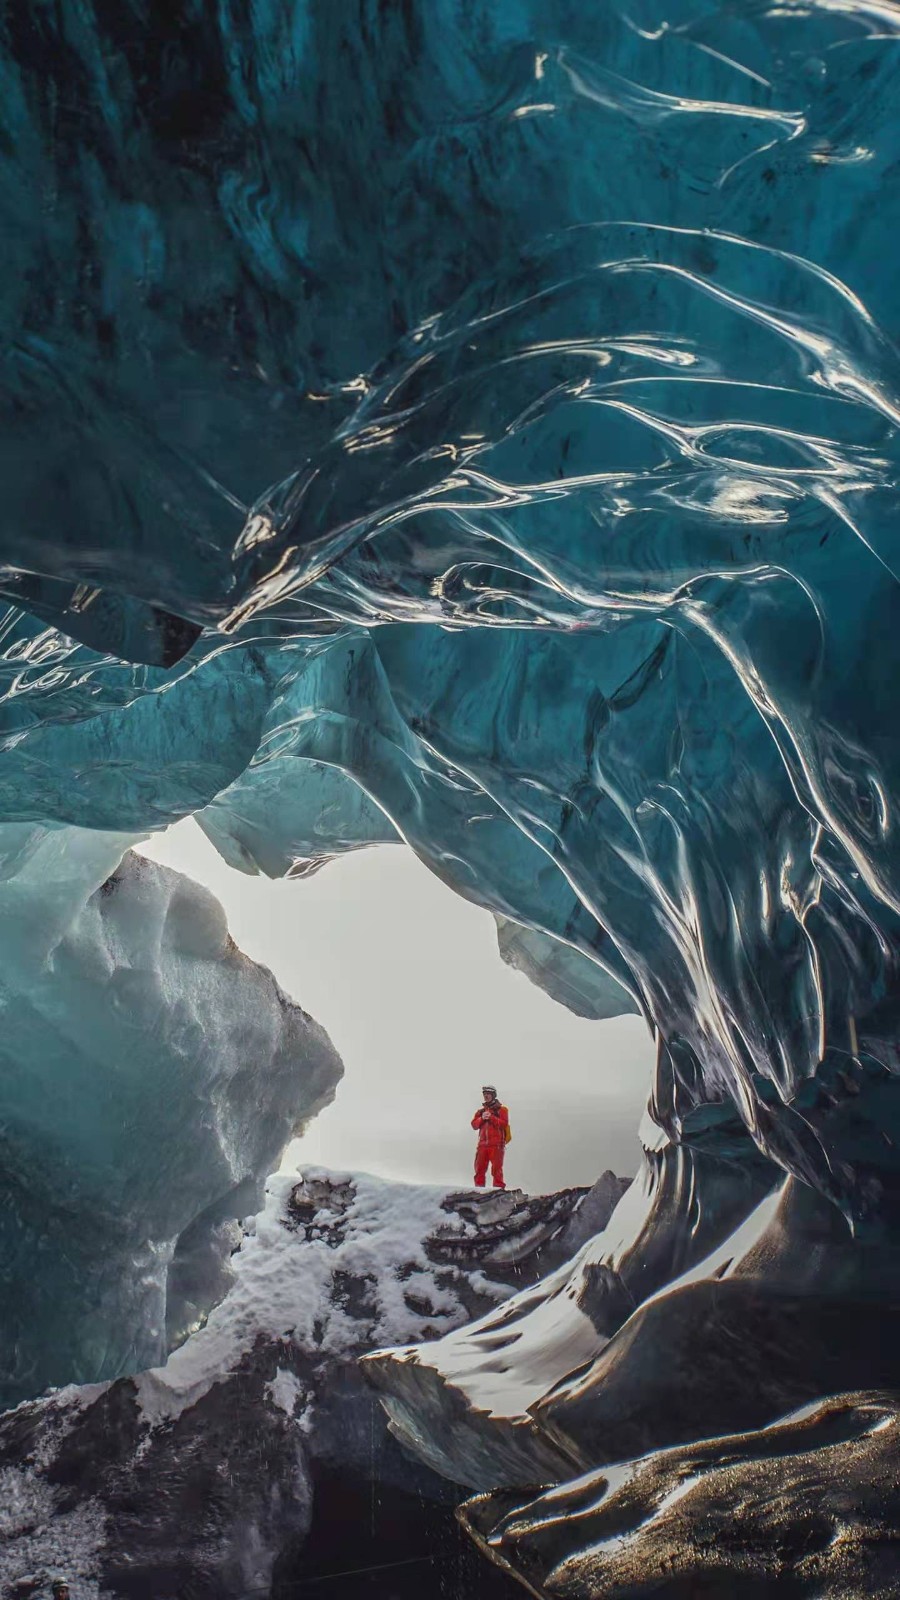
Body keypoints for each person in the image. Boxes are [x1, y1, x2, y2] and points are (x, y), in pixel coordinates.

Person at [471, 1084, 509, 1190]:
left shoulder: (502, 1110)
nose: (486, 1096)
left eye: (488, 1094)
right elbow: (474, 1125)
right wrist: (481, 1119)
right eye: (484, 1094)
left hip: (497, 1145)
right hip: (482, 1145)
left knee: (497, 1170)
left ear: (493, 1095)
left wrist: (491, 1117)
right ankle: (478, 1191)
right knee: (479, 1170)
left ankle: (498, 1191)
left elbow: (504, 1124)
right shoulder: (480, 1112)